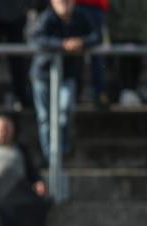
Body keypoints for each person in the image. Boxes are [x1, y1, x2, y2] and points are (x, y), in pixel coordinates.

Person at [29, 0, 100, 161]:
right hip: (43, 73)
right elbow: (35, 39)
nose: (65, 4)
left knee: (65, 110)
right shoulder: (47, 17)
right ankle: (50, 157)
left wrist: (81, 42)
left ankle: (62, 150)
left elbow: (97, 36)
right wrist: (62, 44)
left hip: (67, 74)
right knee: (45, 117)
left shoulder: (81, 16)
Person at [0, 115, 46, 197]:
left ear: (12, 130)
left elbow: (31, 170)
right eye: (1, 130)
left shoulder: (21, 149)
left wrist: (38, 182)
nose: (4, 133)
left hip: (19, 190)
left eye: (7, 129)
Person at [107, 0, 147, 106]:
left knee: (137, 63)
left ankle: (133, 91)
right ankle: (125, 92)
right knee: (122, 64)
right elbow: (114, 7)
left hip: (139, 32)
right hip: (120, 32)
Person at [76, 0, 108, 107]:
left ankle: (98, 93)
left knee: (96, 52)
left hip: (95, 7)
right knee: (74, 50)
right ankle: (77, 93)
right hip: (76, 5)